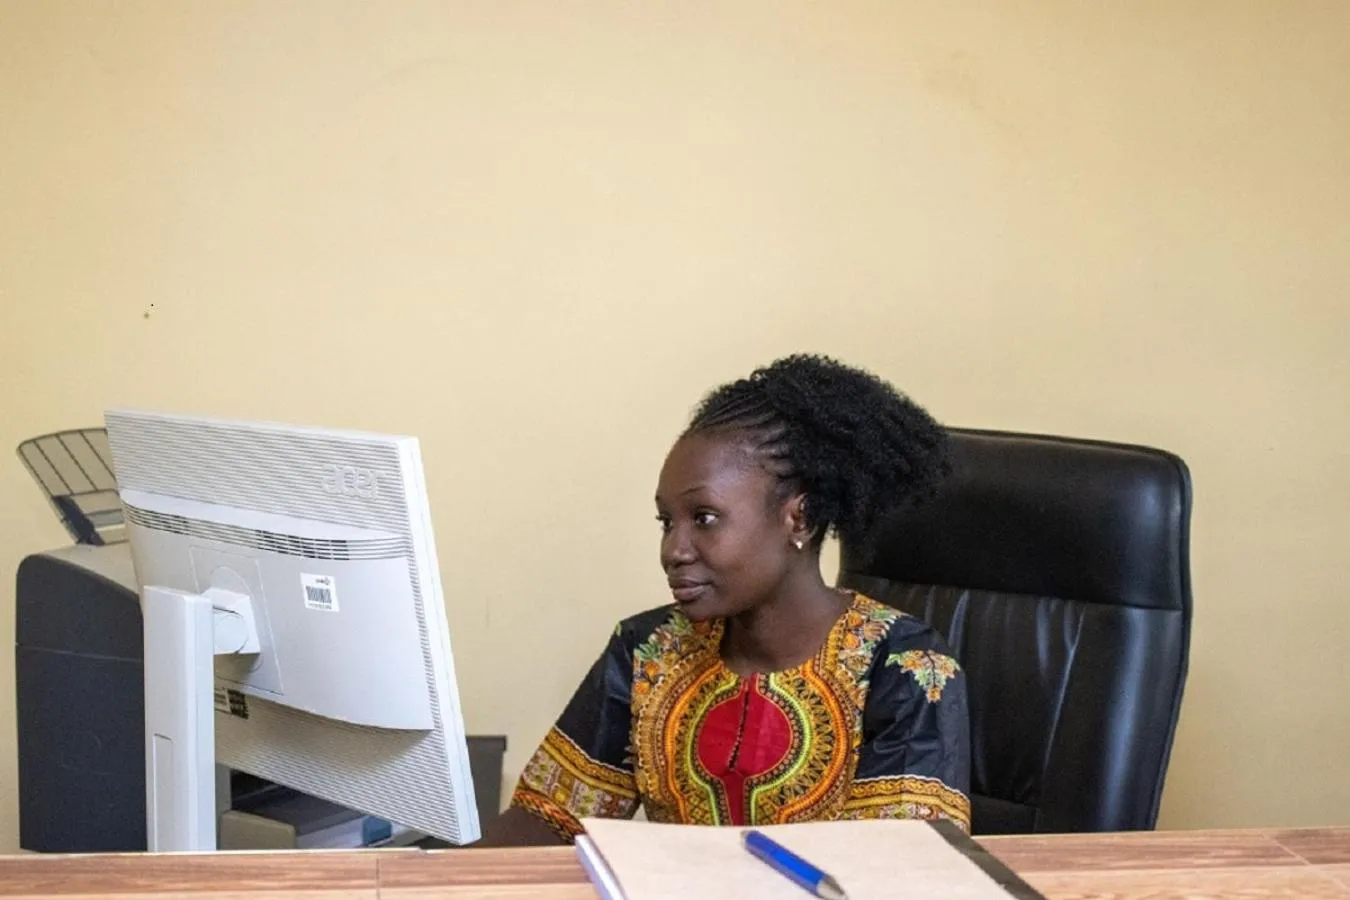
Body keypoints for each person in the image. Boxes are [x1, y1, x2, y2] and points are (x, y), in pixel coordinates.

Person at [482, 354, 970, 846]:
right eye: (666, 522)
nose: (674, 550)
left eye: (705, 518)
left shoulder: (906, 667)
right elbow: (547, 820)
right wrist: (419, 877)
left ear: (798, 518)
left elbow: (902, 870)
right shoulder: (648, 649)